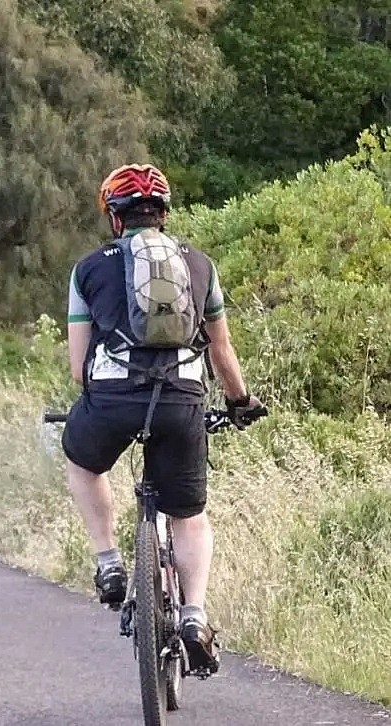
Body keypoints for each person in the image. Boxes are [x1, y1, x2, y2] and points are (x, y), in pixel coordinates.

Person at [61, 163, 266, 672]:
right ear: (165, 214)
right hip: (181, 400)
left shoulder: (87, 269)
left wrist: (106, 397)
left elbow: (77, 369)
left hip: (110, 399)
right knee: (189, 514)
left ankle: (108, 561)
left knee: (82, 461)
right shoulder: (200, 266)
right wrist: (240, 403)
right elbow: (221, 349)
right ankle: (193, 614)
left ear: (115, 218)